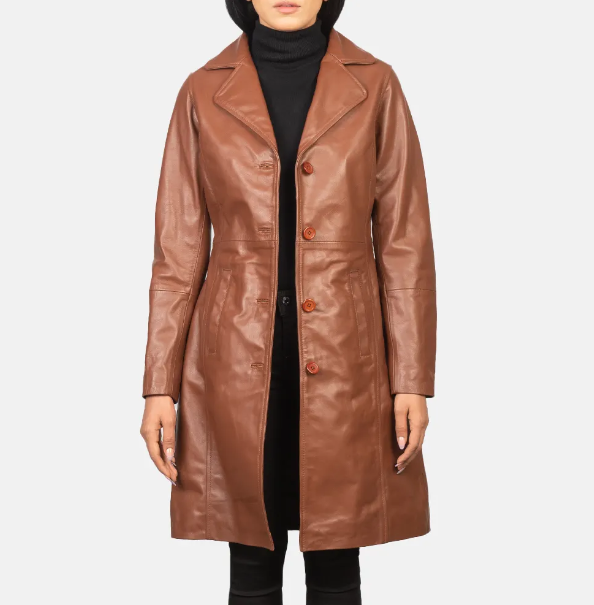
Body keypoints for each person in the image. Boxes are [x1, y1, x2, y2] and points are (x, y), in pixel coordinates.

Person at [140, 0, 437, 603]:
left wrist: (412, 380)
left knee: (337, 558)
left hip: (347, 360)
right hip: (232, 361)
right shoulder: (202, 91)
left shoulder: (375, 84)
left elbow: (405, 243)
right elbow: (177, 254)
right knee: (251, 558)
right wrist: (158, 387)